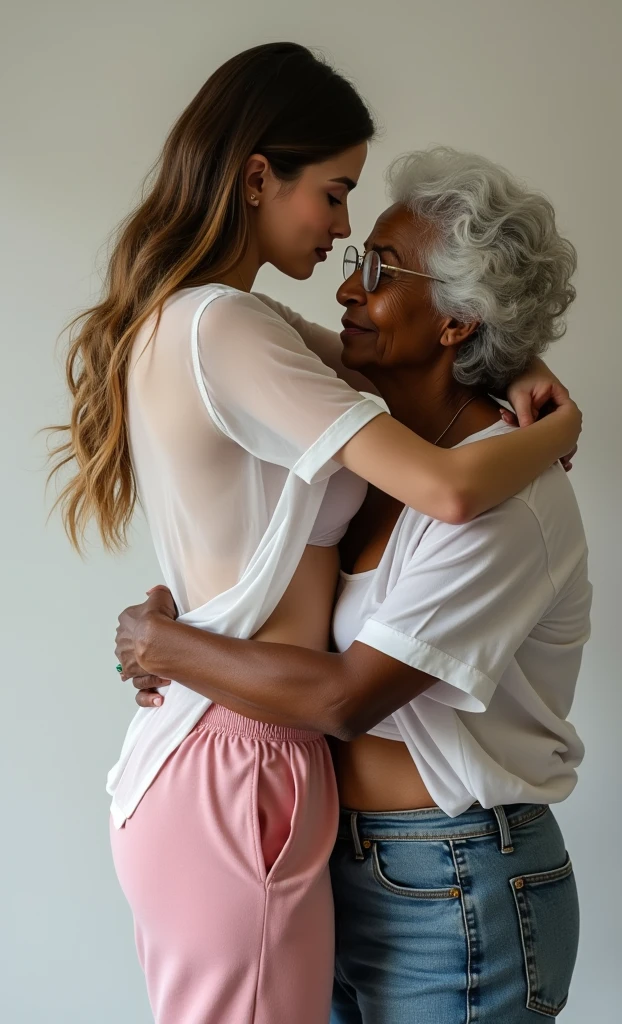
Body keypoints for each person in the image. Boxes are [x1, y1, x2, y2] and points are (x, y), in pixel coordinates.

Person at [50, 41, 579, 1024]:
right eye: (335, 197)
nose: (341, 250)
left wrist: (510, 370)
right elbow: (445, 482)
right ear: (259, 176)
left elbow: (375, 366)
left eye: (370, 253)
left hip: (327, 801)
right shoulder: (224, 328)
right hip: (243, 760)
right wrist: (561, 428)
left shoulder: (226, 325)